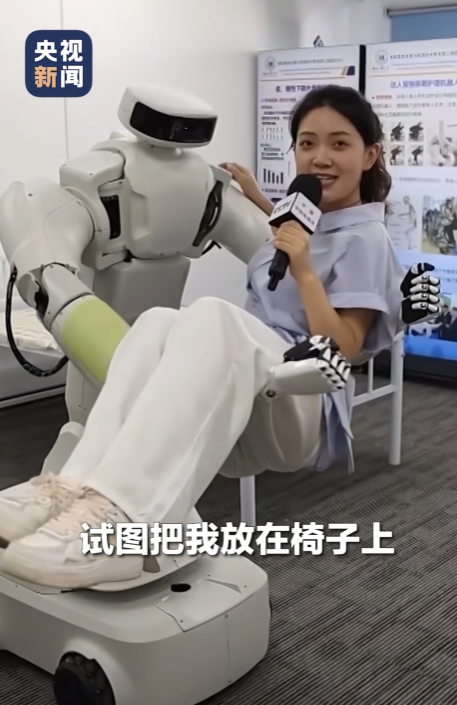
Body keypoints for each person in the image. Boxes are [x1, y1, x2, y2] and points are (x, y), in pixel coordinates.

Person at [0, 85, 405, 589]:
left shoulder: (366, 238)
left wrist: (303, 268)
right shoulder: (310, 217)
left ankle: (124, 526)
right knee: (158, 323)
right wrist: (256, 199)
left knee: (211, 315)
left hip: (301, 394)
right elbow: (279, 243)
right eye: (307, 143)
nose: (320, 157)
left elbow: (346, 347)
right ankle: (70, 488)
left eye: (339, 144)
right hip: (254, 379)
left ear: (369, 154)